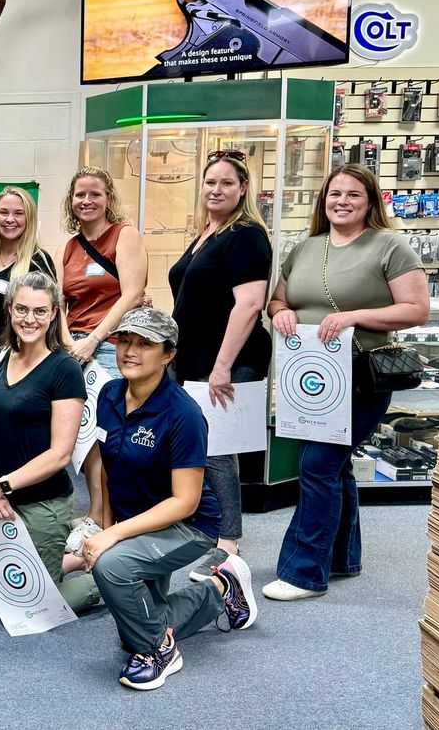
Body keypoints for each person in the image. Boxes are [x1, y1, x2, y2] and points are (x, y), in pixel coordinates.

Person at [263, 164, 428, 601]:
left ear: (370, 202)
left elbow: (415, 310)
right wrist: (280, 310)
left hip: (362, 376)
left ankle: (303, 572)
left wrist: (354, 316)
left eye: (354, 195)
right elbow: (280, 297)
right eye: (335, 193)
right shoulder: (305, 248)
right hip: (311, 375)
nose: (342, 201)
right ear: (324, 200)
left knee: (317, 465)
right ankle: (341, 558)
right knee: (332, 466)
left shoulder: (389, 246)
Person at [83, 307, 256, 691]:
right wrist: (105, 524)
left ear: (168, 354)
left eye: (145, 344)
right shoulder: (109, 394)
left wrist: (114, 537)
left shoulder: (183, 414)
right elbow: (108, 468)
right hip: (138, 518)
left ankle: (160, 649)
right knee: (137, 622)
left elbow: (185, 502)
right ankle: (221, 590)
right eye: (125, 340)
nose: (130, 351)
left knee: (112, 568)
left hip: (187, 524)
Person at [0, 271, 100, 614]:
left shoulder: (63, 370)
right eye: (22, 309)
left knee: (32, 604)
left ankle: (108, 575)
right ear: (10, 309)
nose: (30, 319)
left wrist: (3, 487)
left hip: (42, 502)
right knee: (1, 590)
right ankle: (65, 560)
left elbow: (60, 455)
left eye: (40, 311)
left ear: (54, 313)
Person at [168, 151, 272, 581]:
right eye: (210, 182)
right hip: (192, 357)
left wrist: (222, 365)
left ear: (243, 189)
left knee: (217, 451)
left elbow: (249, 304)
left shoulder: (245, 235)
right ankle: (204, 523)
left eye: (226, 183)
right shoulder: (207, 232)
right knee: (195, 445)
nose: (216, 190)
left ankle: (229, 542)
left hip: (226, 361)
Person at [57, 167, 148, 551]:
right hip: (74, 349)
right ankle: (97, 511)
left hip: (111, 347)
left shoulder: (124, 236)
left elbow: (131, 294)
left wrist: (94, 340)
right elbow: (61, 303)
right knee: (83, 436)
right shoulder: (70, 246)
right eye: (80, 194)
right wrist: (67, 346)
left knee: (107, 435)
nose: (87, 201)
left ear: (108, 197)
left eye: (95, 193)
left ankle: (104, 515)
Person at [0, 187, 56, 401]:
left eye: (18, 213)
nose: (10, 219)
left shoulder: (38, 261)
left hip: (18, 360)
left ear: (29, 219)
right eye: (4, 212)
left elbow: (53, 313)